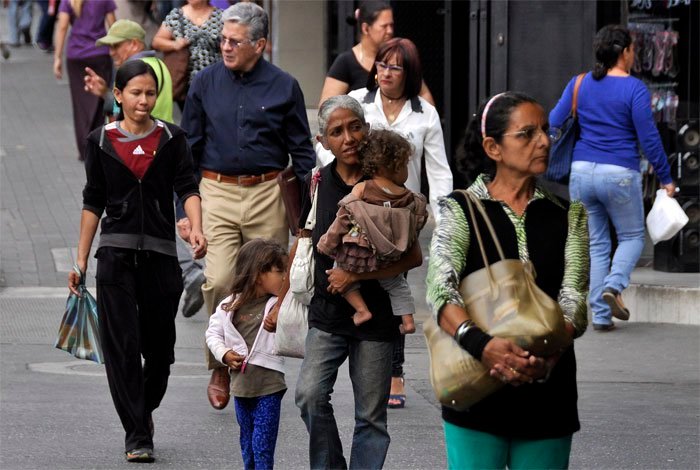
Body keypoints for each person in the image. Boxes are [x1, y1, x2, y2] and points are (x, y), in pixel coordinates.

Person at [426, 91, 590, 469]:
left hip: (549, 393)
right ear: (493, 147)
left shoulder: (568, 215)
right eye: (527, 133)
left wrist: (547, 356)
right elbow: (440, 291)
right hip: (475, 387)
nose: (545, 141)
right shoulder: (460, 209)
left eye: (546, 131)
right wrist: (483, 346)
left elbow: (574, 302)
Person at [68, 60, 206, 463]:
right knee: (122, 347)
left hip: (162, 255)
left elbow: (187, 186)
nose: (143, 100)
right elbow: (93, 200)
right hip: (115, 255)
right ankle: (136, 434)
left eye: (150, 93)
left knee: (161, 353)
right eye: (135, 93)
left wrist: (196, 228)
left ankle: (141, 410)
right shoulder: (101, 141)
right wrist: (80, 261)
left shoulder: (172, 138)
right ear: (118, 95)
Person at [180, 2, 315, 411]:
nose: (225, 46)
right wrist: (185, 213)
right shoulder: (203, 82)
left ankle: (257, 371)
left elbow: (301, 151)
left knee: (263, 287)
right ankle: (220, 362)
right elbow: (187, 148)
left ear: (260, 44)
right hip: (216, 190)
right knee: (220, 281)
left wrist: (310, 215)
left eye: (235, 41)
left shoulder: (285, 86)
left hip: (267, 193)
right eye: (222, 39)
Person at [319, 36, 453, 408]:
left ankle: (395, 371)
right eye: (381, 65)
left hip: (400, 219)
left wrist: (443, 223)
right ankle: (353, 346)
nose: (386, 73)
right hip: (360, 210)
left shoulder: (425, 112)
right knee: (350, 272)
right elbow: (328, 142)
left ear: (410, 73)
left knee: (395, 286)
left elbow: (438, 171)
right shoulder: (359, 104)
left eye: (395, 67)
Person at [293, 95, 423, 469]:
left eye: (355, 127)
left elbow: (412, 256)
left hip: (379, 317)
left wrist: (357, 274)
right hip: (328, 311)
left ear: (367, 129)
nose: (348, 137)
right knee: (309, 396)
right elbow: (304, 237)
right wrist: (281, 296)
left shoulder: (385, 181)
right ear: (323, 142)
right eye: (337, 132)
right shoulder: (317, 181)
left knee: (370, 417)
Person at [550, 24, 676, 332]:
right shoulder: (634, 89)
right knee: (632, 237)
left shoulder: (579, 83)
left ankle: (602, 316)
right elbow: (649, 138)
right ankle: (614, 286)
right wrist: (666, 178)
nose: (635, 55)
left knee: (597, 243)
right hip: (619, 172)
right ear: (624, 52)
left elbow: (553, 121)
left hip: (581, 172)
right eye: (633, 49)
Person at [317, 128, 427, 334]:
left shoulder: (363, 188)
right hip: (390, 257)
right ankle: (408, 320)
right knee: (397, 285)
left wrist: (327, 242)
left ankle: (361, 309)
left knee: (337, 270)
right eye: (405, 166)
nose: (407, 171)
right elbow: (416, 222)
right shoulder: (407, 196)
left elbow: (344, 216)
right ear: (393, 167)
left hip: (359, 254)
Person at [205, 238, 287, 470]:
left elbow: (299, 317)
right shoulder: (228, 306)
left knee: (262, 445)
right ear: (259, 273)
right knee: (247, 441)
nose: (284, 277)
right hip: (240, 387)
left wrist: (281, 314)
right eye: (279, 270)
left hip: (270, 387)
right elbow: (212, 334)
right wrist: (224, 354)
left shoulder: (278, 306)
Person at [319, 1, 434, 107]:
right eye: (384, 26)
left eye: (391, 25)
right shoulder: (345, 62)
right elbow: (327, 107)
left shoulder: (399, 57)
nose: (390, 31)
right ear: (365, 28)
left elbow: (425, 97)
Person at [53, 0, 116, 162]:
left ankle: (84, 148)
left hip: (76, 55)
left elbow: (62, 27)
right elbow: (113, 25)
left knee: (80, 104)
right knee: (100, 100)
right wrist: (116, 51)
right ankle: (99, 144)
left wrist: (57, 57)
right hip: (100, 54)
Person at [85, 19, 174, 123]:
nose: (111, 52)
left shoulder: (128, 72)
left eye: (116, 46)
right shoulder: (160, 64)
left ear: (134, 44)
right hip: (165, 134)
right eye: (110, 47)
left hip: (139, 137)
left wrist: (106, 95)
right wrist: (105, 92)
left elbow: (116, 114)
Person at [152, 0, 223, 110]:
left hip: (214, 80)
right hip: (185, 81)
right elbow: (157, 41)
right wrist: (174, 44)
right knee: (191, 120)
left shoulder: (220, 16)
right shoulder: (176, 15)